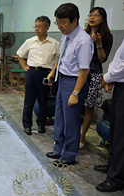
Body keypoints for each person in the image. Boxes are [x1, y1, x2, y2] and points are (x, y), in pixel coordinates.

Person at [45, 3, 94, 166]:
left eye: (63, 22)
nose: (59, 26)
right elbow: (62, 58)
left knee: (71, 121)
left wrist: (75, 93)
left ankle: (69, 155)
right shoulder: (66, 35)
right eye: (57, 22)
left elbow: (84, 71)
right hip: (62, 79)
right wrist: (53, 72)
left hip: (74, 83)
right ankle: (59, 149)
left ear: (75, 20)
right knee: (59, 118)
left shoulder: (83, 40)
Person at [17, 16, 60, 135]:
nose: (37, 29)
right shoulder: (30, 41)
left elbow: (60, 58)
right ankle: (27, 125)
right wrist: (25, 66)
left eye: (39, 26)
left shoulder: (54, 43)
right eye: (35, 26)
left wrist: (52, 71)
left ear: (47, 27)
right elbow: (19, 54)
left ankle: (41, 124)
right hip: (32, 73)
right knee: (29, 101)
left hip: (46, 74)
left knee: (43, 101)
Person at [79, 7, 113, 149]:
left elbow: (102, 59)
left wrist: (98, 44)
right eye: (90, 15)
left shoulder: (106, 37)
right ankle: (71, 135)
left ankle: (81, 138)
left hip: (94, 74)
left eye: (96, 15)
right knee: (75, 105)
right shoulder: (83, 34)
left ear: (102, 18)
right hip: (80, 73)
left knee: (89, 107)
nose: (92, 17)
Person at [95, 39, 124, 192]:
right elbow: (117, 58)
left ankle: (117, 178)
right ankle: (113, 165)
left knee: (121, 135)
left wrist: (106, 78)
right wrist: (110, 77)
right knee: (115, 131)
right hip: (119, 83)